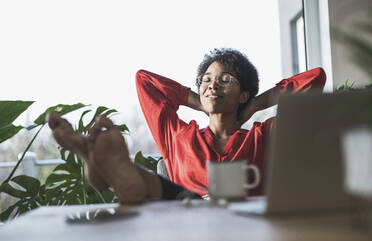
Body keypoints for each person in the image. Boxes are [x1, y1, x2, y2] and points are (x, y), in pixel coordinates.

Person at [48, 48, 326, 204]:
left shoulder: (264, 135)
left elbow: (315, 80)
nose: (213, 84)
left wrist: (253, 106)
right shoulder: (178, 135)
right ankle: (110, 167)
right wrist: (200, 101)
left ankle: (118, 173)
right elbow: (144, 80)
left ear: (243, 94)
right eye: (206, 79)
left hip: (248, 230)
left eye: (225, 79)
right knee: (180, 199)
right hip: (189, 226)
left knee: (174, 196)